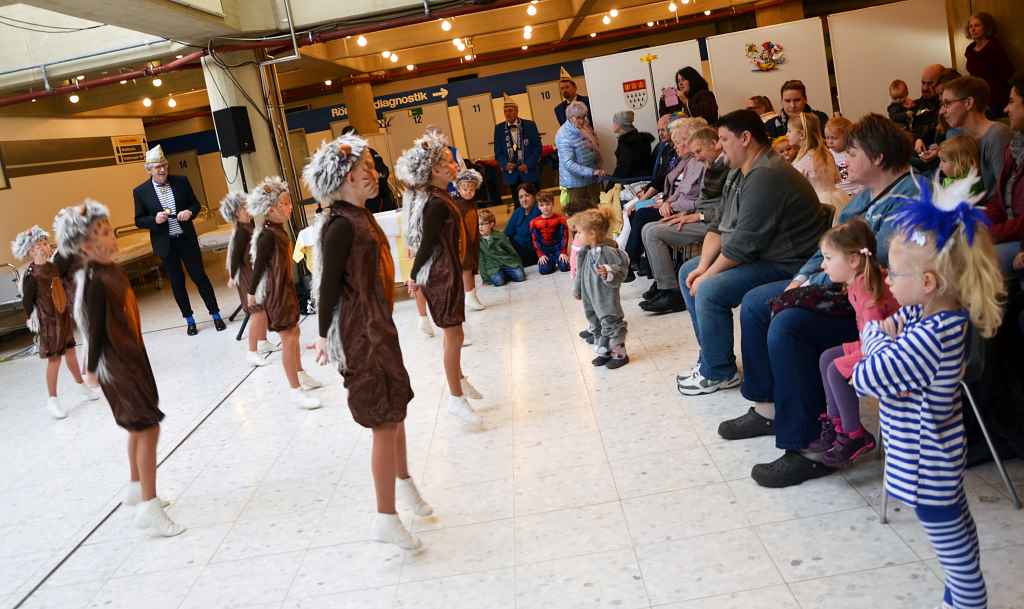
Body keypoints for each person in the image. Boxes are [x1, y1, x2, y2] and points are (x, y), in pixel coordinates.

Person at [725, 114, 919, 488]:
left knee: (789, 324)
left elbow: (883, 267)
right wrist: (799, 280)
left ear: (877, 158)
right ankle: (770, 407)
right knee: (756, 303)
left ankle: (806, 445)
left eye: (853, 153)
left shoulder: (910, 196)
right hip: (837, 285)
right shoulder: (861, 198)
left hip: (877, 307)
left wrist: (808, 286)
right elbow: (828, 247)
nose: (845, 160)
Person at [853, 178, 1005, 609]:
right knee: (957, 537)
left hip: (925, 468)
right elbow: (888, 337)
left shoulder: (930, 336)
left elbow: (867, 376)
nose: (886, 278)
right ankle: (957, 597)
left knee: (953, 550)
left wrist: (877, 339)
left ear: (928, 282)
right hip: (937, 459)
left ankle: (967, 602)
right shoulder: (933, 317)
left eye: (894, 273)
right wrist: (883, 338)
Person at [305, 133, 432, 552]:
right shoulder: (339, 225)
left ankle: (403, 480)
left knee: (395, 413)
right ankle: (385, 515)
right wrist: (323, 334)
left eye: (373, 169)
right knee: (383, 421)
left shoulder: (363, 216)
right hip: (361, 333)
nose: (373, 176)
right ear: (341, 178)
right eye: (364, 171)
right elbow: (325, 286)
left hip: (379, 327)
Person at [676, 109, 831, 396]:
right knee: (689, 271)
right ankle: (713, 359)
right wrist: (702, 269)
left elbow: (743, 245)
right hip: (764, 256)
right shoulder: (739, 172)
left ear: (745, 138)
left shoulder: (766, 175)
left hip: (790, 264)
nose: (718, 145)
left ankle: (718, 372)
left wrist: (708, 275)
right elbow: (718, 226)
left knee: (709, 289)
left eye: (723, 139)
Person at [54, 200, 183, 537]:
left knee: (139, 428)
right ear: (85, 246)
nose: (111, 238)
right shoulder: (94, 280)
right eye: (102, 234)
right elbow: (93, 329)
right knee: (148, 428)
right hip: (118, 364)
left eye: (110, 230)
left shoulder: (111, 269)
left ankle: (137, 487)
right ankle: (150, 507)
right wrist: (92, 368)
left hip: (130, 358)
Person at [398, 130, 485, 429]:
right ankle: (455, 397)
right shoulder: (434, 203)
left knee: (456, 332)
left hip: (447, 271)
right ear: (434, 170)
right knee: (453, 335)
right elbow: (426, 244)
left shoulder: (441, 195)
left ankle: (458, 377)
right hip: (440, 275)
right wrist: (413, 275)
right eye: (447, 161)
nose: (453, 165)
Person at [805, 218, 898, 467]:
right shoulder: (858, 281)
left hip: (890, 352)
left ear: (853, 260)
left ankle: (854, 434)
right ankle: (837, 426)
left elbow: (878, 343)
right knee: (827, 357)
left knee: (836, 369)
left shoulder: (867, 289)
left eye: (828, 258)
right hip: (875, 343)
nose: (823, 265)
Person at [246, 177, 324, 410]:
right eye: (284, 204)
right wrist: (251, 293)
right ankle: (295, 390)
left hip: (285, 290)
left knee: (295, 332)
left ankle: (300, 373)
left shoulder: (278, 230)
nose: (289, 207)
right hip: (276, 293)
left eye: (289, 203)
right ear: (271, 209)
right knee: (288, 338)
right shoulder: (267, 235)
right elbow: (258, 265)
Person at [133, 146, 224, 336]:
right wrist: (154, 220)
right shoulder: (141, 192)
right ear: (148, 169)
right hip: (166, 244)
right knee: (177, 283)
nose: (162, 170)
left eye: (164, 165)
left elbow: (195, 204)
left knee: (200, 277)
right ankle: (189, 320)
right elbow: (138, 219)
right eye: (157, 167)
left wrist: (190, 212)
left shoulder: (181, 182)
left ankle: (215, 315)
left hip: (186, 240)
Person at [12, 226, 100, 419]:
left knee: (70, 352)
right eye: (39, 244)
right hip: (48, 323)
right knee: (55, 359)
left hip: (62, 317)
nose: (44, 246)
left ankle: (81, 386)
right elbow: (27, 301)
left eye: (45, 243)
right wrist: (33, 319)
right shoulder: (31, 275)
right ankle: (52, 400)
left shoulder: (53, 267)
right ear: (31, 251)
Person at [640, 126, 727, 314]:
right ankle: (663, 283)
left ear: (714, 144)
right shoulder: (712, 165)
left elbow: (725, 209)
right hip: (703, 217)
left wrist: (695, 215)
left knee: (654, 232)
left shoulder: (723, 167)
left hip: (712, 223)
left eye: (698, 151)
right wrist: (685, 214)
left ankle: (671, 292)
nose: (696, 157)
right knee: (648, 227)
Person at [626, 118, 707, 283]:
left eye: (678, 142)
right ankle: (648, 270)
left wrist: (670, 204)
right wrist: (667, 202)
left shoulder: (700, 163)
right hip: (672, 204)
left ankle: (629, 262)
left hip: (687, 212)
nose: (675, 146)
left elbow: (699, 199)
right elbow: (675, 189)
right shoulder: (686, 161)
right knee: (636, 210)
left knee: (644, 217)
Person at [220, 192, 279, 367]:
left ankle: (262, 341)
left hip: (254, 274)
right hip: (247, 276)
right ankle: (252, 351)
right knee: (257, 312)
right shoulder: (240, 233)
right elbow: (235, 257)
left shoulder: (249, 227)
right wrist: (232, 276)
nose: (249, 210)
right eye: (244, 207)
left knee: (263, 309)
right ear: (236, 212)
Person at [572, 207, 630, 369]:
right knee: (596, 322)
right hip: (591, 297)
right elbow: (580, 274)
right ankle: (604, 351)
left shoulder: (608, 251)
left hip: (605, 298)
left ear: (592, 234)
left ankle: (620, 354)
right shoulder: (586, 252)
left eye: (579, 233)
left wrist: (608, 271)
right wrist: (578, 290)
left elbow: (622, 269)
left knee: (612, 323)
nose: (577, 236)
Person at [938, 76, 1012, 199]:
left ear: (968, 103)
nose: (942, 111)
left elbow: (1006, 192)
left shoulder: (998, 135)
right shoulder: (954, 135)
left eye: (947, 104)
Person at [984, 72, 1024, 273]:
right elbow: (1001, 200)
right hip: (1008, 232)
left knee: (970, 263)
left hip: (1018, 238)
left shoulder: (999, 136)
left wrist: (991, 233)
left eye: (1011, 101)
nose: (1006, 108)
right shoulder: (1015, 146)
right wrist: (978, 221)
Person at [556, 100, 605, 215]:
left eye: (584, 117)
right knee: (578, 217)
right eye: (578, 118)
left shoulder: (585, 125)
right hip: (575, 184)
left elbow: (594, 144)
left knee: (596, 214)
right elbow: (568, 163)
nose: (582, 121)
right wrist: (592, 172)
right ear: (570, 117)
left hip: (592, 178)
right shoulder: (563, 135)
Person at [965, 11, 1015, 119]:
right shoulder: (970, 50)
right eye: (970, 26)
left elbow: (1008, 73)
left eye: (977, 25)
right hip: (978, 97)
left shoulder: (994, 47)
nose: (973, 29)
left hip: (996, 98)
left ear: (986, 27)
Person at [788, 112, 843, 206]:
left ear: (801, 135)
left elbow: (795, 189)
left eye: (789, 131)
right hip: (837, 198)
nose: (786, 134)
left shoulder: (802, 162)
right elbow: (836, 178)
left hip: (818, 202)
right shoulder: (826, 153)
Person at [493, 95, 541, 201]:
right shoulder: (499, 129)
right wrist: (505, 164)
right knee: (518, 206)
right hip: (512, 175)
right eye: (505, 111)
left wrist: (527, 164)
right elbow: (498, 152)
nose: (508, 113)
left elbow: (537, 148)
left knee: (536, 203)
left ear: (517, 111)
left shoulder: (529, 125)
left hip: (529, 173)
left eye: (510, 110)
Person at [340, 125, 396, 213]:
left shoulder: (369, 152)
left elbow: (383, 170)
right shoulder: (343, 160)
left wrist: (379, 178)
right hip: (361, 203)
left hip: (382, 199)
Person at [453, 169, 486, 311]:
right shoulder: (458, 205)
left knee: (471, 268)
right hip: (463, 242)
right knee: (466, 268)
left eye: (471, 189)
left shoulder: (472, 203)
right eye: (464, 189)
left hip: (472, 240)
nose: (468, 192)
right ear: (459, 189)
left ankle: (472, 294)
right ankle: (469, 296)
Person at [764, 80, 830, 139]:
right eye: (787, 101)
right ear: (781, 101)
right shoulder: (770, 125)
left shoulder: (820, 118)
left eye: (797, 100)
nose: (792, 105)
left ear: (805, 99)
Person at [478, 209, 525, 286]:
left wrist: (518, 265)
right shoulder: (479, 241)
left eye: (483, 224)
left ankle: (507, 273)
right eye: (479, 224)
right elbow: (481, 260)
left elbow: (511, 251)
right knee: (499, 281)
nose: (480, 227)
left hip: (507, 263)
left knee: (520, 277)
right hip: (493, 267)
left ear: (491, 224)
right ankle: (502, 275)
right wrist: (485, 279)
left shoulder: (500, 236)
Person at [530, 191, 571, 275]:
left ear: (552, 204)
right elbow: (535, 240)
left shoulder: (560, 219)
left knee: (564, 267)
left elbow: (564, 236)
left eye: (548, 204)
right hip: (545, 250)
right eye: (542, 205)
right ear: (538, 207)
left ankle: (558, 261)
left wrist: (563, 252)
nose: (545, 207)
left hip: (557, 248)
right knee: (544, 270)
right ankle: (551, 263)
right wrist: (540, 254)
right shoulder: (534, 222)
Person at [504, 183, 542, 266]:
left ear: (534, 197)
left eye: (527, 195)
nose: (524, 199)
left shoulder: (539, 212)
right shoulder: (518, 212)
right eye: (521, 197)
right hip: (516, 249)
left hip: (531, 252)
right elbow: (507, 233)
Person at [824, 116, 862, 200]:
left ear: (847, 138)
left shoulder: (853, 153)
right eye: (827, 137)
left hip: (855, 193)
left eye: (834, 138)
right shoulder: (827, 154)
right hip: (839, 195)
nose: (830, 141)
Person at [911, 64, 945, 154]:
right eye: (923, 83)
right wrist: (917, 139)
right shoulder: (913, 106)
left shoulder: (947, 108)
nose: (925, 88)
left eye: (930, 83)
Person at [611, 111, 655, 180]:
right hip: (643, 177)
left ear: (619, 124)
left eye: (614, 122)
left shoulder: (626, 143)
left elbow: (623, 170)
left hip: (633, 181)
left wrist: (609, 186)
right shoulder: (641, 138)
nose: (612, 124)